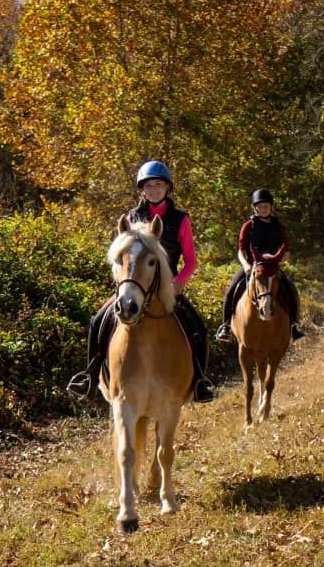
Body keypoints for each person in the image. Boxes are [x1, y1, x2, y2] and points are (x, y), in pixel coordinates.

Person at [67, 160, 215, 403]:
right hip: (133, 286)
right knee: (97, 321)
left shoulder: (180, 220)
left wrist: (176, 285)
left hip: (166, 289)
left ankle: (199, 382)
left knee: (198, 327)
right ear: (141, 189)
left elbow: (190, 261)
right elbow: (120, 258)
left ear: (168, 188)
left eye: (159, 184)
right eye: (148, 185)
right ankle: (90, 376)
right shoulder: (131, 218)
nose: (154, 189)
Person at [215, 188, 304, 343]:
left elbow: (286, 251)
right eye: (260, 206)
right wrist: (246, 266)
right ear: (255, 208)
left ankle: (293, 327)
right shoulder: (248, 226)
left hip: (273, 268)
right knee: (231, 290)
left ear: (271, 207)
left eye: (266, 206)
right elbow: (241, 250)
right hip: (252, 267)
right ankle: (226, 326)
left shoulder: (278, 227)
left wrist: (279, 261)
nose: (263, 209)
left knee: (291, 289)